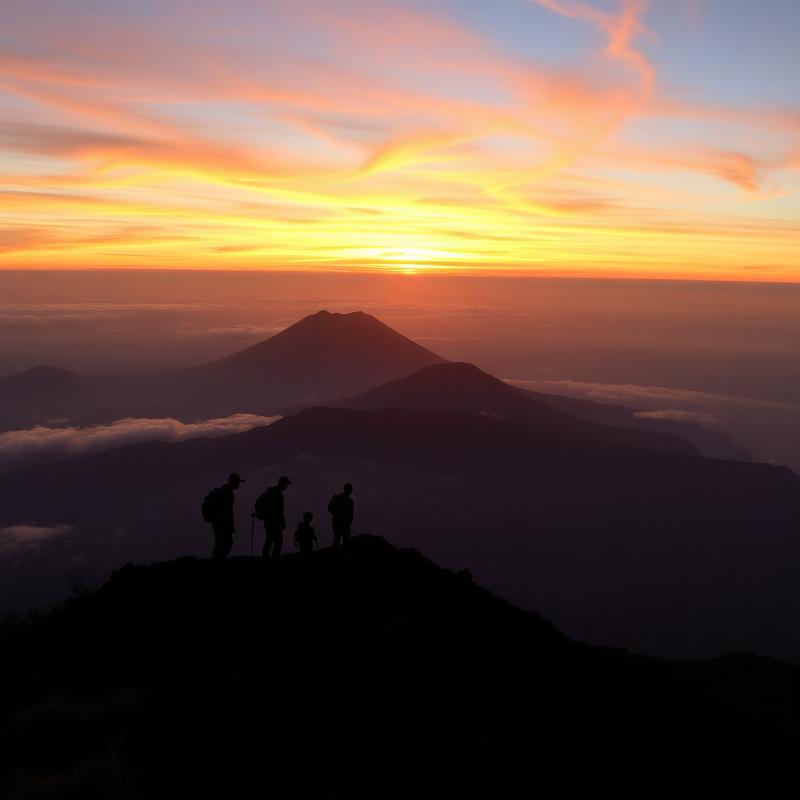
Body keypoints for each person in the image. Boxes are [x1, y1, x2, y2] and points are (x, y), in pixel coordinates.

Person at [204, 473, 245, 560]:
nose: (238, 484)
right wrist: (230, 525)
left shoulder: (225, 491)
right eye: (238, 482)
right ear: (233, 482)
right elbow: (228, 511)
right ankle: (218, 560)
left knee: (221, 543)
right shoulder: (227, 492)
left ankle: (218, 560)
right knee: (226, 543)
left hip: (218, 521)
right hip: (221, 522)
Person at [255, 475, 292, 558]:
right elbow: (279, 510)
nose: (286, 487)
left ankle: (266, 556)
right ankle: (275, 556)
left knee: (269, 539)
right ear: (282, 484)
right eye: (286, 485)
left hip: (267, 519)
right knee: (278, 540)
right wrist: (282, 522)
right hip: (273, 521)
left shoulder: (270, 491)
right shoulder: (277, 494)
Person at [327, 482, 354, 551]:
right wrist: (336, 514)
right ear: (345, 489)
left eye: (351, 489)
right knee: (338, 537)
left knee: (345, 538)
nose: (350, 491)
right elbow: (329, 507)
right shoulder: (337, 497)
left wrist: (350, 520)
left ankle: (343, 553)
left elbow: (351, 513)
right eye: (349, 489)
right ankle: (337, 553)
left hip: (344, 522)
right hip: (338, 521)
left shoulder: (350, 501)